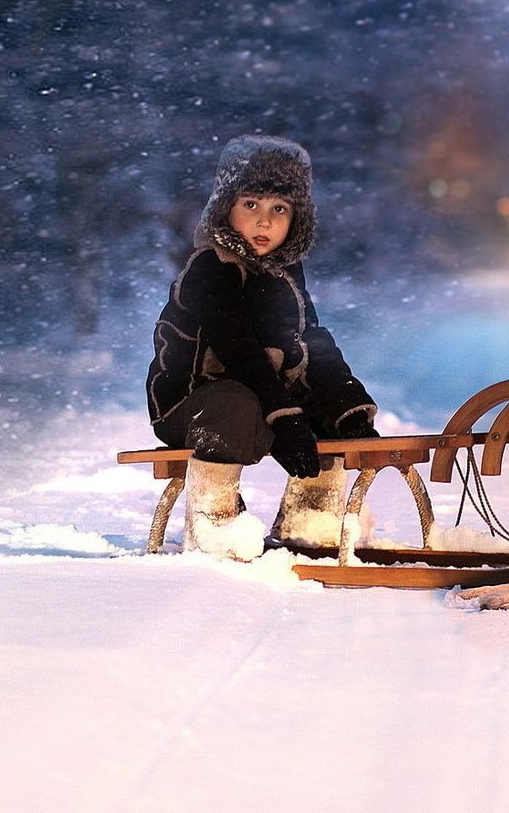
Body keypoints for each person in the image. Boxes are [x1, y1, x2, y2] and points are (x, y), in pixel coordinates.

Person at [147, 134, 378, 560]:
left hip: (259, 396)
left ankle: (311, 517)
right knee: (236, 402)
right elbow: (239, 352)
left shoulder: (286, 275)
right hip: (192, 404)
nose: (264, 222)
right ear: (225, 209)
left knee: (322, 405)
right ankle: (215, 520)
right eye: (251, 205)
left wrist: (346, 406)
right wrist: (285, 418)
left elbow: (310, 341)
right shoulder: (210, 269)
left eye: (279, 209)